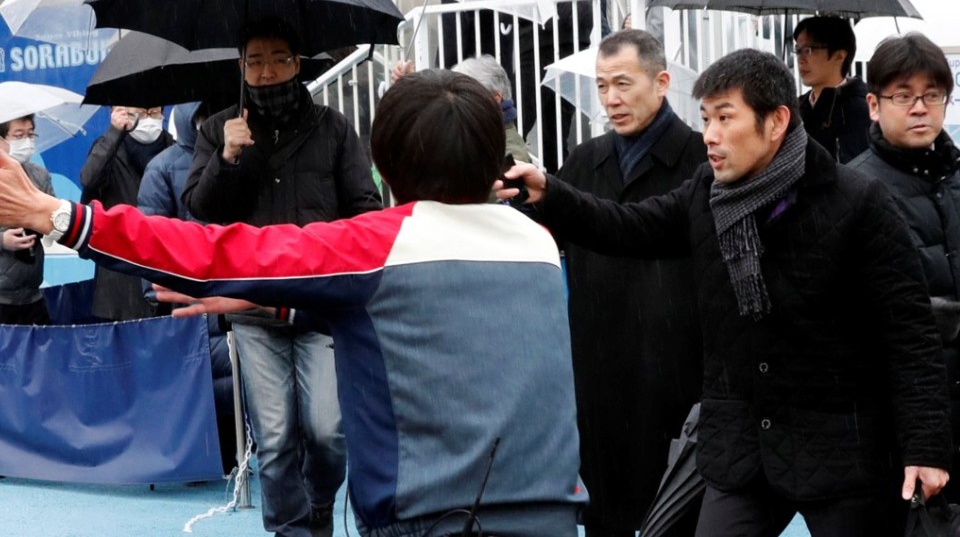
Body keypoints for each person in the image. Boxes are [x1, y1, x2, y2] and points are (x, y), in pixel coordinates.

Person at [0, 68, 588, 537]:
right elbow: (421, 320)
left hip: (433, 518)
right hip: (555, 512)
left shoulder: (377, 245)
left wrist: (58, 216)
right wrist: (268, 309)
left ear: (382, 164)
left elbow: (213, 252)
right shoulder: (537, 242)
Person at [501, 48, 953, 536]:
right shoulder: (707, 193)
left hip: (839, 449)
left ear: (777, 121)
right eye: (705, 118)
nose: (710, 136)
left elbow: (909, 335)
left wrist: (925, 448)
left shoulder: (857, 202)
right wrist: (550, 192)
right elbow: (630, 226)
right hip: (740, 447)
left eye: (724, 117)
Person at [182, 17, 380, 537]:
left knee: (328, 432)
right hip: (250, 307)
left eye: (278, 58)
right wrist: (227, 157)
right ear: (241, 67)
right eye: (255, 61)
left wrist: (334, 252)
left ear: (298, 63)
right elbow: (200, 214)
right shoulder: (219, 129)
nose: (267, 71)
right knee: (273, 437)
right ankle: (290, 530)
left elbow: (365, 207)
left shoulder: (334, 128)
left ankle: (318, 505)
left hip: (321, 306)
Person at [848, 32, 960, 513]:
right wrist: (928, 318)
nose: (919, 107)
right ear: (874, 105)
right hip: (898, 449)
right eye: (903, 95)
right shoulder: (855, 190)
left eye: (932, 95)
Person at [545, 29, 705, 536]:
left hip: (678, 376)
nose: (611, 99)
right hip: (598, 377)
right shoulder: (581, 163)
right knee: (604, 517)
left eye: (623, 83)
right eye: (601, 86)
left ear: (661, 82)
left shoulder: (702, 162)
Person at [136, 100, 236, 475]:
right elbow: (150, 242)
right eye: (204, 116)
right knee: (198, 387)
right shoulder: (161, 168)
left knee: (237, 380)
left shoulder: (244, 158)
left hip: (236, 294)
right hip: (187, 298)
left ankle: (234, 458)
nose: (212, 123)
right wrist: (164, 290)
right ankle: (207, 459)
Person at [79, 104, 174, 320]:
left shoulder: (173, 148)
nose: (149, 119)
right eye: (140, 113)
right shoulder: (109, 148)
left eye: (154, 112)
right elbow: (88, 179)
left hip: (164, 267)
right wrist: (114, 133)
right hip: (118, 275)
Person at [516, 0, 603, 172]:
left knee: (519, 119)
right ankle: (556, 185)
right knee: (557, 128)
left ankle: (508, 177)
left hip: (541, 38)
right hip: (576, 38)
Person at [793, 16, 870, 163]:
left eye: (809, 50)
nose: (800, 59)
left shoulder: (860, 109)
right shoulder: (795, 108)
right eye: (798, 51)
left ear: (839, 55)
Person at [0, 115, 54, 324]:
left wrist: (45, 226)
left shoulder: (39, 175)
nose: (26, 141)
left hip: (32, 293)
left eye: (30, 134)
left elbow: (55, 218)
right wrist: (3, 241)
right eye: (18, 135)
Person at [451, 54, 532, 163]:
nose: (457, 103)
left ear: (496, 98)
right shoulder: (483, 137)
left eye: (466, 96)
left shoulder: (510, 155)